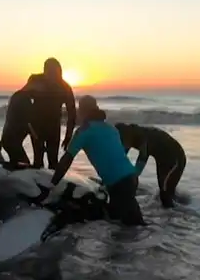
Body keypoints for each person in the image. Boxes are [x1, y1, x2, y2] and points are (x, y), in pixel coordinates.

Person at [49, 95, 145, 226]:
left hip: (120, 184)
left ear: (83, 111)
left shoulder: (84, 131)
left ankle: (156, 245)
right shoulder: (112, 129)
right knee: (123, 222)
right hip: (131, 178)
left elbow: (67, 159)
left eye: (80, 110)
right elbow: (115, 156)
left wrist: (52, 185)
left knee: (129, 228)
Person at [19, 58, 76, 169]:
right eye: (49, 72)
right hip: (36, 126)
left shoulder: (65, 87)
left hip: (53, 127)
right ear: (44, 71)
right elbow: (20, 97)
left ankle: (52, 184)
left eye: (55, 73)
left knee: (53, 161)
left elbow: (72, 113)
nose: (52, 76)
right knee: (38, 161)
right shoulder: (35, 80)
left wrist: (68, 136)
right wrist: (25, 123)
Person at [115, 123, 187, 208]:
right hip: (161, 159)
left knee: (165, 194)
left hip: (175, 158)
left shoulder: (142, 136)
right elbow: (122, 155)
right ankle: (180, 204)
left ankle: (176, 217)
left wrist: (134, 176)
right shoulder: (128, 135)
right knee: (165, 189)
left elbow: (142, 158)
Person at [0, 89, 37, 165]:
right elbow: (31, 129)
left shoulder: (18, 96)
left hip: (8, 140)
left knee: (18, 163)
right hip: (11, 141)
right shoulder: (24, 100)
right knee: (24, 163)